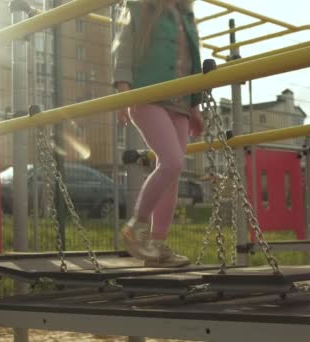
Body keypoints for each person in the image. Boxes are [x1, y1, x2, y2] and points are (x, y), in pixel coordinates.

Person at [113, 0, 204, 267]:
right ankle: (136, 227)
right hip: (148, 97)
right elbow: (124, 49)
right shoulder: (140, 8)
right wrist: (123, 91)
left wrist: (196, 106)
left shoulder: (186, 16)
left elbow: (193, 63)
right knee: (172, 162)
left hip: (181, 104)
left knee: (173, 175)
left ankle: (157, 246)